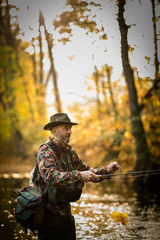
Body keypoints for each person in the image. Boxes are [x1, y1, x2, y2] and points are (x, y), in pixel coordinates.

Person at [31, 113, 120, 240]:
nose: (70, 132)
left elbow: (87, 171)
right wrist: (79, 176)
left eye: (70, 128)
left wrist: (107, 170)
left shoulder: (70, 152)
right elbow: (50, 176)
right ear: (55, 131)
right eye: (66, 128)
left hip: (66, 216)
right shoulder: (45, 151)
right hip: (48, 217)